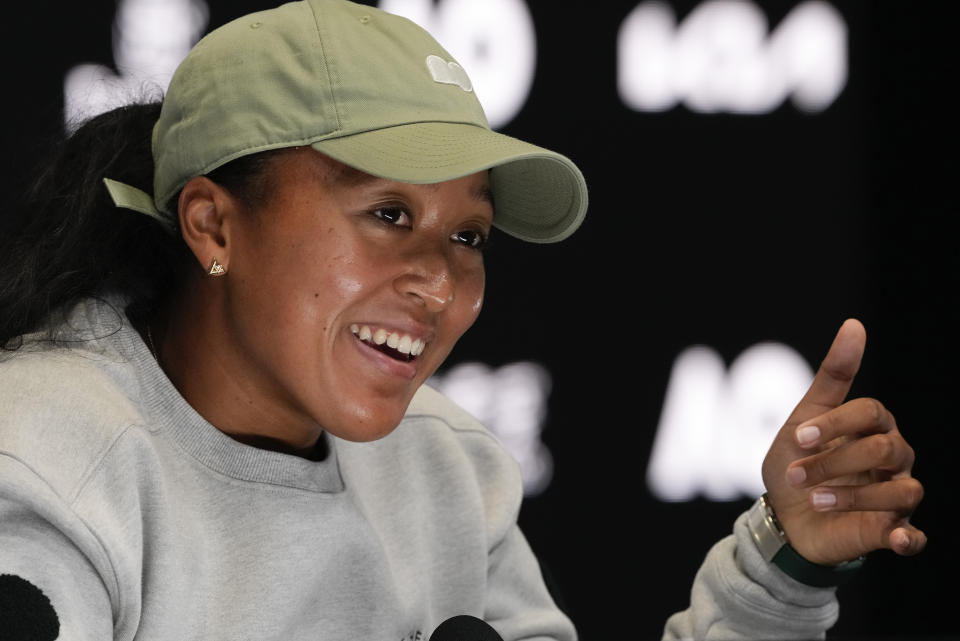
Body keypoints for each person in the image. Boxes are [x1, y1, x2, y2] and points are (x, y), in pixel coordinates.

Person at [0, 0, 924, 639]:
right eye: (390, 215)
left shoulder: (445, 465)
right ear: (212, 222)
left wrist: (784, 566)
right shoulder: (40, 458)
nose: (440, 286)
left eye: (470, 234)